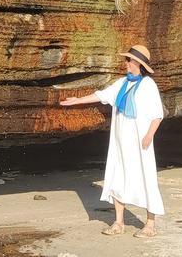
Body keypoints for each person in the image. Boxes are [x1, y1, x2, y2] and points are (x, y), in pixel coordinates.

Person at [59, 44, 165, 237]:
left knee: (146, 177)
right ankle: (119, 222)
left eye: (128, 60)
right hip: (119, 141)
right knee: (117, 176)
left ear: (138, 64)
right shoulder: (122, 83)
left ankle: (150, 225)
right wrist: (77, 100)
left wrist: (149, 135)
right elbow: (101, 95)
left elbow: (157, 114)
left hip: (140, 141)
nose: (125, 63)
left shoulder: (149, 85)